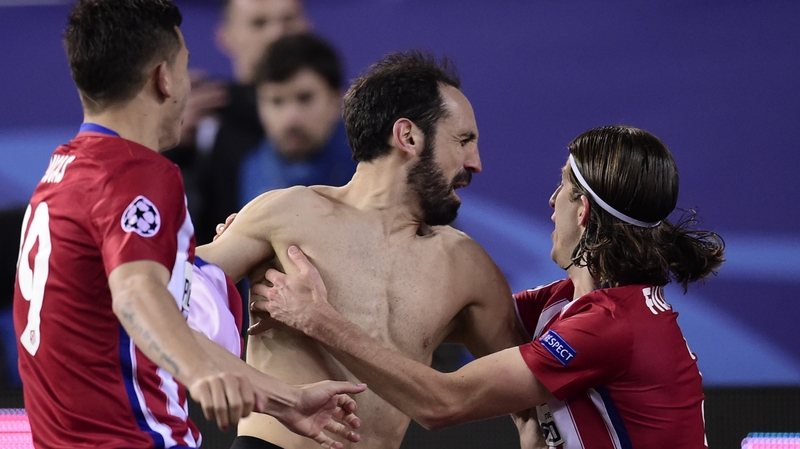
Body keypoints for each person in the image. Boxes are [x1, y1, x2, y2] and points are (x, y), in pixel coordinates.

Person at [11, 2, 364, 448]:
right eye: (185, 68)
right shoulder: (135, 172)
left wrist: (286, 401)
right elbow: (137, 294)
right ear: (163, 77)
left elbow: (163, 322)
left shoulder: (61, 173)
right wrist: (200, 374)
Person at [254, 125, 726, 447]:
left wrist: (320, 320)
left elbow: (442, 403)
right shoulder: (566, 305)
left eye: (562, 185)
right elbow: (433, 312)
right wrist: (274, 252)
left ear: (582, 211)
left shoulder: (610, 327)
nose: (551, 199)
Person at [196, 51, 526, 449]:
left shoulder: (469, 268)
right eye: (463, 140)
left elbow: (529, 397)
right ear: (408, 137)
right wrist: (236, 379)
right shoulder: (288, 213)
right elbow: (162, 294)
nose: (475, 162)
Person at [165, 0, 311, 244]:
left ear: (306, 25)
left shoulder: (338, 115)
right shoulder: (199, 118)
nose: (277, 33)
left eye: (288, 20)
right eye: (259, 23)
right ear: (226, 36)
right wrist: (172, 144)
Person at [239, 32, 354, 207]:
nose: (291, 118)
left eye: (305, 98)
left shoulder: (374, 164)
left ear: (337, 100)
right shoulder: (250, 169)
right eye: (276, 101)